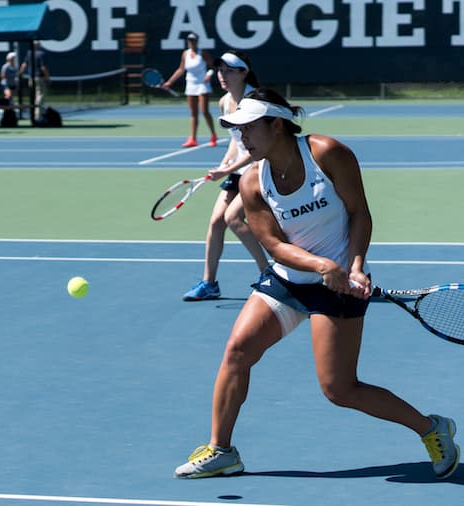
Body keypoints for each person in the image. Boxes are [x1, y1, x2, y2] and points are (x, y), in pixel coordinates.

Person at [173, 88, 459, 480]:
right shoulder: (252, 181)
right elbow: (273, 244)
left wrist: (355, 265)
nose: (241, 139)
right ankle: (222, 450)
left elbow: (360, 213)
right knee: (238, 350)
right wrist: (320, 264)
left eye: (248, 129)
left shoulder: (327, 153)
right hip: (289, 281)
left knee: (339, 390)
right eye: (237, 131)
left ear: (276, 125)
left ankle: (431, 428)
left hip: (341, 284)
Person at [182, 50, 270, 301]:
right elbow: (236, 140)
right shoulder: (223, 101)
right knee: (216, 222)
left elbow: (258, 148)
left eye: (230, 71)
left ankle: (268, 273)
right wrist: (223, 164)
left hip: (260, 166)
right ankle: (209, 284)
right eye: (221, 70)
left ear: (244, 73)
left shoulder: (253, 101)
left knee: (233, 218)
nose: (223, 75)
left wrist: (227, 170)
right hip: (239, 168)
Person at [162, 32, 217, 148]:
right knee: (193, 113)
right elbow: (181, 69)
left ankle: (213, 136)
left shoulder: (203, 53)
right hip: (190, 85)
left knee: (205, 111)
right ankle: (193, 138)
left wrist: (209, 74)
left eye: (193, 40)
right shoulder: (185, 54)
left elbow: (213, 66)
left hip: (202, 85)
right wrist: (170, 82)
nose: (191, 42)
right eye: (189, 40)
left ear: (197, 41)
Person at [18, 41, 50, 121]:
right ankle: (38, 116)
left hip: (31, 79)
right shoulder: (41, 54)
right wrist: (47, 77)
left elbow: (24, 65)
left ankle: (35, 114)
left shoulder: (29, 53)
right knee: (39, 97)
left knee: (34, 97)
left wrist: (20, 74)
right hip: (39, 78)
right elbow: (43, 67)